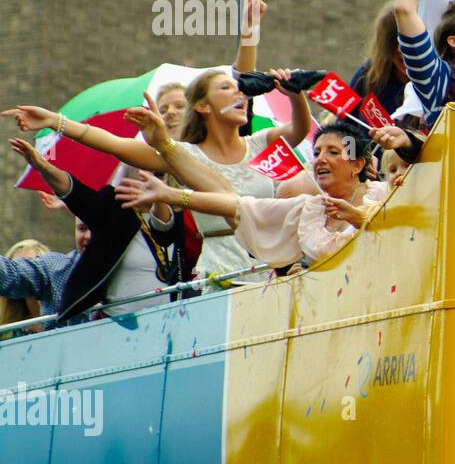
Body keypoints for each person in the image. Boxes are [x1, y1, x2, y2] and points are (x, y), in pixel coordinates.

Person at [4, 59, 312, 284]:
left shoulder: (262, 142)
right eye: (227, 88)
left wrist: (295, 93)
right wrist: (54, 121)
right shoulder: (180, 154)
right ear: (202, 106)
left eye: (241, 91)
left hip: (274, 268)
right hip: (222, 272)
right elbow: (112, 143)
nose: (240, 95)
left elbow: (300, 128)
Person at [117, 115, 417, 271]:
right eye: (317, 152)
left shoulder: (385, 194)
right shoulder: (308, 208)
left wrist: (359, 216)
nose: (320, 159)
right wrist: (172, 195)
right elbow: (238, 206)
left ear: (358, 164)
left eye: (333, 152)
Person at [8, 138, 188, 320]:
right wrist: (43, 167)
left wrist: (162, 197)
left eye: (158, 173)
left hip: (177, 323)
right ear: (128, 168)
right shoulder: (113, 209)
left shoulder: (185, 212)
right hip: (121, 330)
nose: (150, 178)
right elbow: (75, 193)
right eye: (142, 166)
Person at [0, 227, 84, 325]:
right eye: (82, 228)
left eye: (32, 261)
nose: (88, 235)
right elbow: (11, 274)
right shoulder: (58, 268)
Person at [349, 2, 408, 116]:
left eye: (409, 42)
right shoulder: (369, 73)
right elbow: (343, 122)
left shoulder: (439, 87)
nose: (400, 50)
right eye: (393, 41)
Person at [2, 240, 53, 332]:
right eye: (16, 268)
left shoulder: (66, 318)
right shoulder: (9, 331)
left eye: (30, 266)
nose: (25, 274)